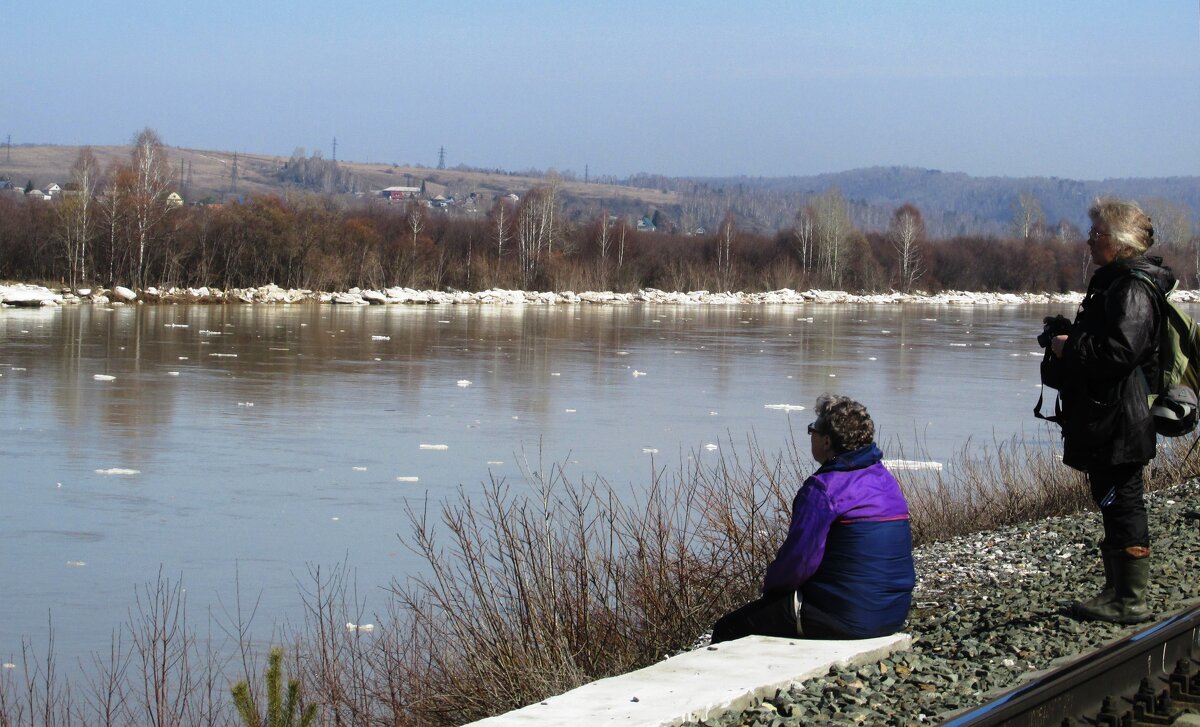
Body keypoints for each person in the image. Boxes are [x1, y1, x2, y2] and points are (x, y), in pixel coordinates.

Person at [1047, 198, 1171, 624]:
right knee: (1114, 500)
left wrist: (1069, 346)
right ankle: (1117, 590)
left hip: (1122, 419)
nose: (1088, 241)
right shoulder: (1116, 282)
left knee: (1123, 502)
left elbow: (1121, 352)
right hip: (1112, 415)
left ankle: (1129, 597)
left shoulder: (1132, 287)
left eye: (1096, 234)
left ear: (1118, 243)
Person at [710, 394, 915, 642]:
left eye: (812, 431)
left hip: (845, 617)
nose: (811, 437)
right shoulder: (885, 481)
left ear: (826, 441)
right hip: (892, 613)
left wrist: (770, 592)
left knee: (729, 629)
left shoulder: (824, 489)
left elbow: (798, 562)